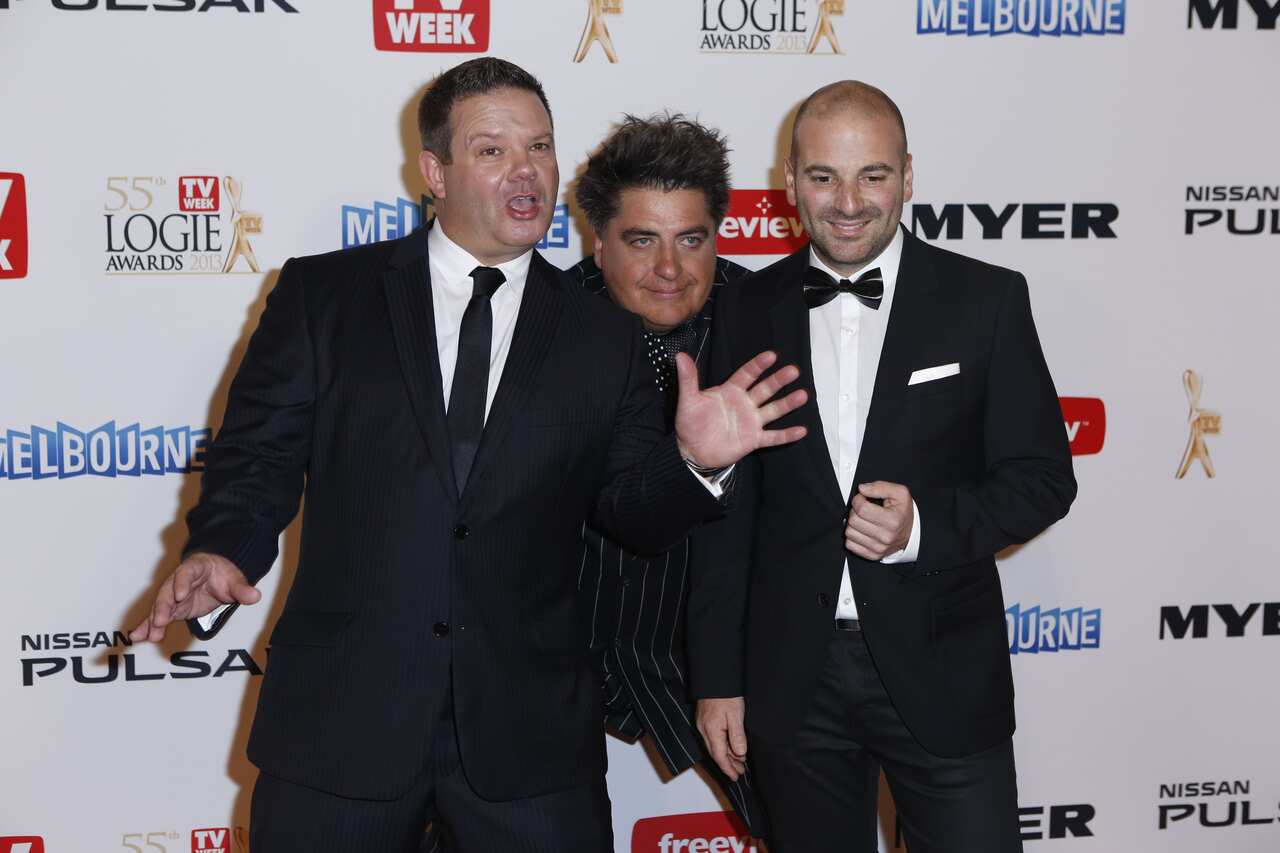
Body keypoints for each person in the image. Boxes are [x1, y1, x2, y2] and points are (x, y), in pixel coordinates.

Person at [127, 58, 808, 853]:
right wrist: (221, 545)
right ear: (434, 172)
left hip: (530, 740)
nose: (525, 171)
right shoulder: (325, 297)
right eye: (492, 150)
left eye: (540, 147)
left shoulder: (603, 335)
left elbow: (634, 512)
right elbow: (257, 458)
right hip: (344, 723)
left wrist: (695, 462)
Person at [689, 80, 1077, 853]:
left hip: (943, 669)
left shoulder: (986, 300)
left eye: (872, 175)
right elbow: (730, 518)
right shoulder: (745, 307)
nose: (848, 202)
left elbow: (1042, 478)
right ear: (790, 180)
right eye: (823, 175)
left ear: (908, 174)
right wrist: (717, 678)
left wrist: (922, 527)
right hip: (792, 679)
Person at [569, 113, 766, 837]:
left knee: (802, 823)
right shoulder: (541, 325)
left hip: (716, 640)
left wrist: (730, 674)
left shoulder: (770, 320)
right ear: (598, 243)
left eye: (691, 239)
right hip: (564, 640)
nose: (670, 268)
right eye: (641, 240)